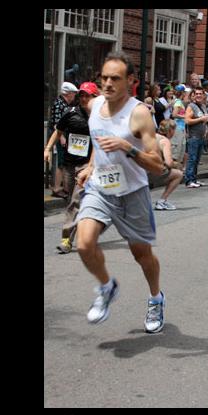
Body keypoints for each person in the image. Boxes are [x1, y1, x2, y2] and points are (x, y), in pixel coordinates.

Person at [75, 51, 167, 334]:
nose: (108, 83)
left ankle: (155, 298)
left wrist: (127, 147)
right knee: (84, 244)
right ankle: (107, 287)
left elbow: (158, 165)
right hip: (101, 189)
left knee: (142, 254)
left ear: (130, 81)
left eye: (115, 78)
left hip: (133, 193)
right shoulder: (94, 106)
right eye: (104, 77)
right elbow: (98, 142)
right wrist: (91, 166)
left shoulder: (138, 113)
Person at [43, 82, 99, 254]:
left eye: (87, 95)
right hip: (69, 163)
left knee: (75, 200)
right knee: (71, 201)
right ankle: (86, 226)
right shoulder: (71, 112)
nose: (83, 98)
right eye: (81, 95)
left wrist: (91, 166)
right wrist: (47, 149)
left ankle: (66, 240)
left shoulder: (100, 117)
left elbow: (99, 143)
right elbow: (58, 131)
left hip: (86, 165)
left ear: (95, 97)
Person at [48, 82, 79, 198]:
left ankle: (65, 187)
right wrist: (61, 138)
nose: (74, 96)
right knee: (61, 162)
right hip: (61, 136)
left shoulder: (64, 104)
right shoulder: (59, 104)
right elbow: (57, 124)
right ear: (68, 93)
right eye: (73, 93)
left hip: (65, 135)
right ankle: (57, 188)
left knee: (65, 162)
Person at [152, 119, 183, 210]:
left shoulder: (152, 136)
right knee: (178, 174)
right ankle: (162, 201)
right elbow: (169, 163)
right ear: (170, 130)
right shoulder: (165, 141)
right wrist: (177, 165)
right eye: (174, 130)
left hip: (142, 168)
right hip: (153, 170)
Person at [184, 86, 208, 188]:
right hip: (193, 137)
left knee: (197, 160)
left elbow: (204, 120)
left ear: (203, 95)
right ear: (194, 96)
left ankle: (194, 179)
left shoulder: (203, 106)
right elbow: (187, 120)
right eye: (197, 94)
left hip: (201, 137)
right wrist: (201, 119)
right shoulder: (191, 106)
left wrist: (206, 128)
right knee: (192, 158)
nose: (198, 95)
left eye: (200, 94)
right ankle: (189, 180)